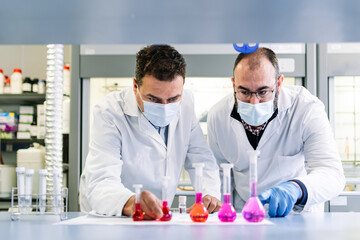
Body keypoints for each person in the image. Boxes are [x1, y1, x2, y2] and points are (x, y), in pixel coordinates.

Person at [80, 45, 221, 219]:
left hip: (160, 215)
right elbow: (101, 182)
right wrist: (133, 203)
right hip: (114, 214)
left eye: (173, 99)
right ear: (135, 85)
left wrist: (210, 195)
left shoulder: (186, 103)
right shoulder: (110, 112)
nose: (164, 107)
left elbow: (201, 159)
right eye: (153, 99)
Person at [207, 47, 345, 217]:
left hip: (296, 217)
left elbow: (331, 174)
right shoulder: (218, 115)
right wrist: (214, 204)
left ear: (279, 83)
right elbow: (218, 174)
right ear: (233, 83)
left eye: (263, 92)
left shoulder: (306, 109)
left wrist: (296, 188)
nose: (254, 102)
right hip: (245, 219)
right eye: (244, 92)